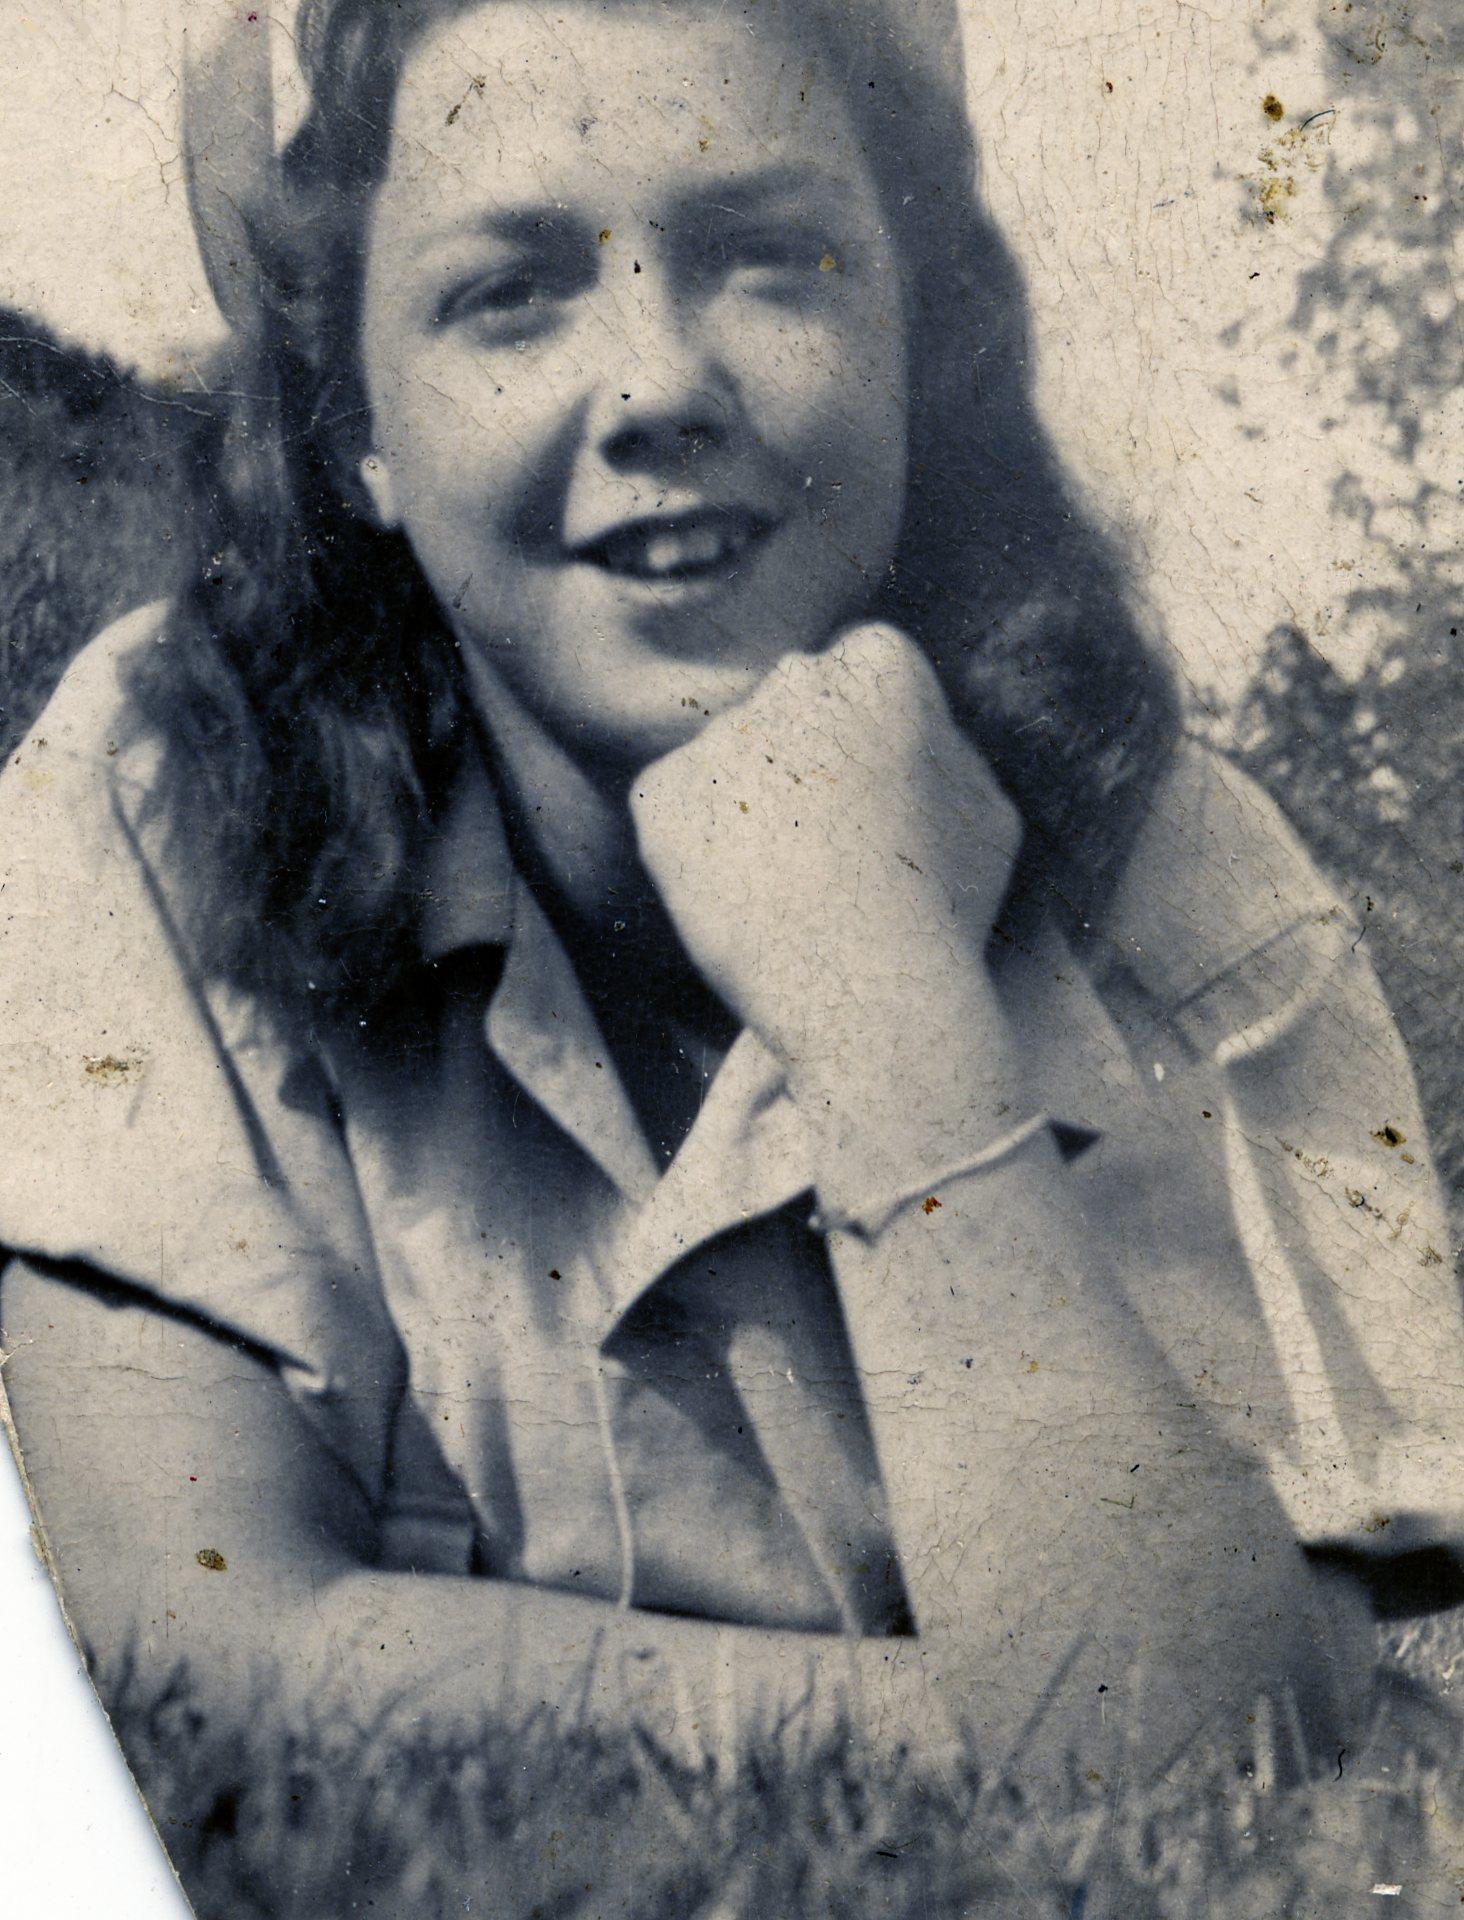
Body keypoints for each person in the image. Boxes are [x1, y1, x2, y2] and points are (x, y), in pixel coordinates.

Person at [1, 0, 1458, 1807]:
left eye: (774, 262)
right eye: (511, 291)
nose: (661, 387)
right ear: (356, 425)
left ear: (919, 341)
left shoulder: (1169, 866)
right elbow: (185, 1647)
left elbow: (1236, 1762)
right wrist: (991, 1732)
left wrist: (890, 1014)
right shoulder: (160, 794)